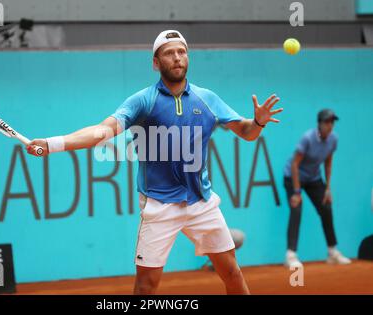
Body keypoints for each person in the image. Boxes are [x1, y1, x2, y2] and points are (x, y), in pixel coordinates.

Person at [26, 30, 283, 295]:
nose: (177, 58)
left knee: (231, 272)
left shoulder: (207, 99)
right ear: (156, 63)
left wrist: (259, 121)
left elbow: (248, 132)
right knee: (146, 287)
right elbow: (101, 131)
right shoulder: (143, 101)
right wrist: (52, 143)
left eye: (181, 52)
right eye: (169, 53)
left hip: (201, 202)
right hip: (159, 206)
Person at [283, 109, 351, 268]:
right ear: (319, 124)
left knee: (326, 208)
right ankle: (291, 255)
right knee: (296, 209)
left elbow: (327, 162)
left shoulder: (333, 139)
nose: (330, 125)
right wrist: (297, 192)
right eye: (327, 122)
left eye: (332, 122)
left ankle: (332, 252)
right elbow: (294, 164)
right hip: (294, 177)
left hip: (313, 178)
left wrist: (328, 188)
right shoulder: (308, 138)